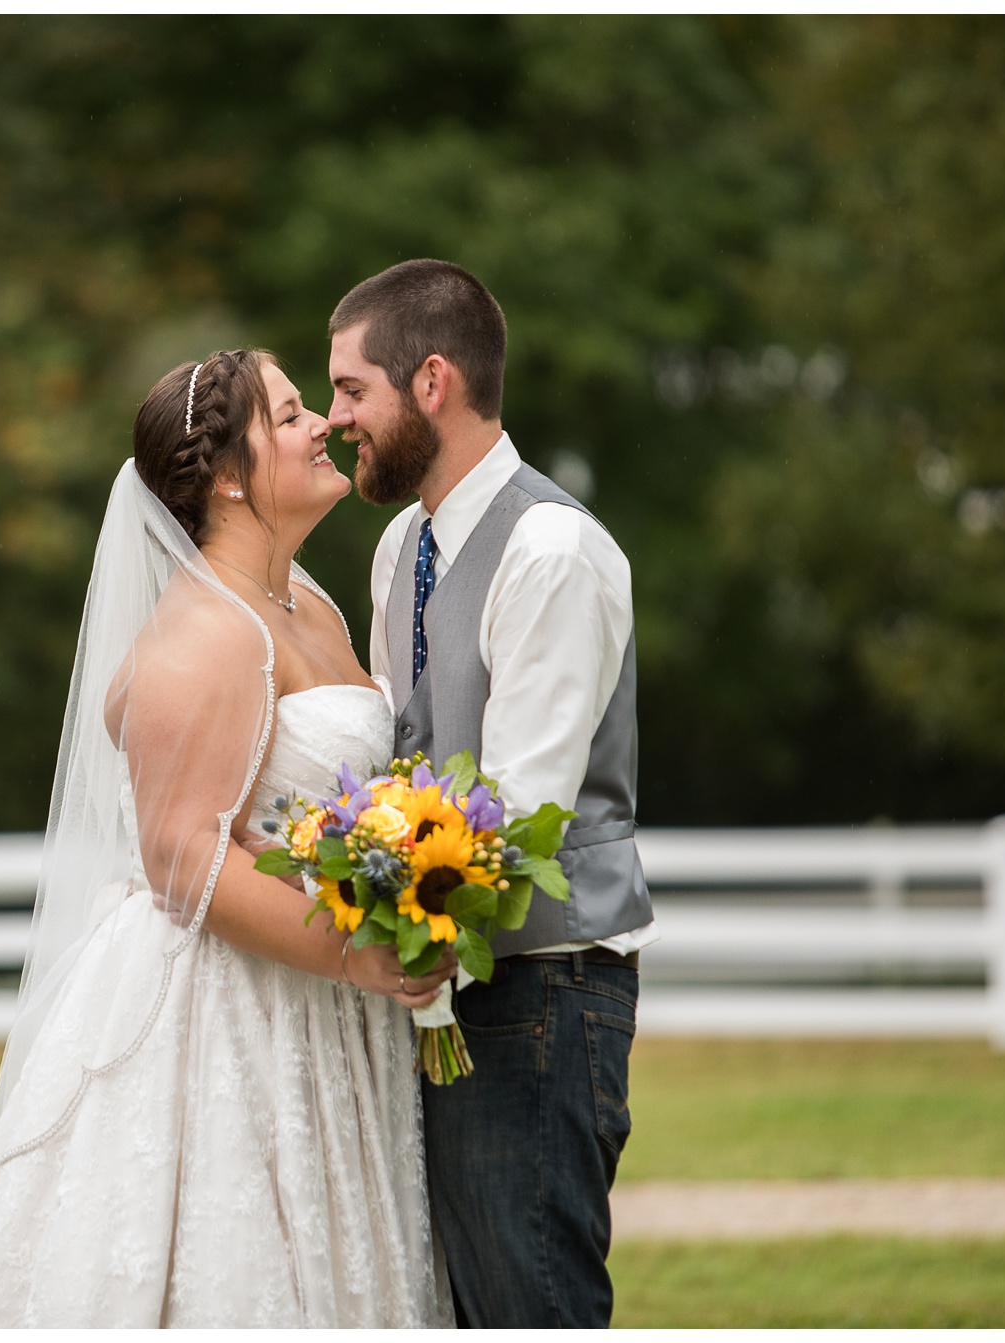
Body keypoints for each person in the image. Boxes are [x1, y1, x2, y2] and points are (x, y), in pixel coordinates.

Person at [0, 349, 454, 1327]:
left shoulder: (316, 606)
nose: (321, 426)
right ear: (228, 475)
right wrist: (359, 955)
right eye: (290, 414)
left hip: (319, 1011)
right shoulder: (205, 629)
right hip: (227, 1012)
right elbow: (179, 855)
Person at [328, 259, 657, 1328]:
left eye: (349, 390)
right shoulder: (398, 549)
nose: (337, 421)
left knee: (531, 1308)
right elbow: (396, 755)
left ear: (429, 381)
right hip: (440, 989)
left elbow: (516, 815)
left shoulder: (551, 549)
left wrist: (408, 943)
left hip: (540, 998)